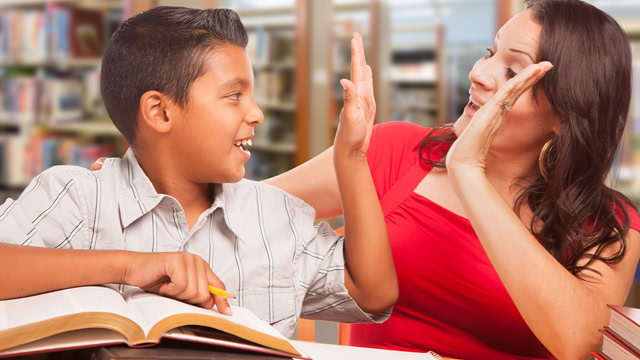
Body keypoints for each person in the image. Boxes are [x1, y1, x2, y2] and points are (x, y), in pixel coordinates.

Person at [0, 7, 398, 338]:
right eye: (234, 95)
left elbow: (373, 293)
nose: (256, 113)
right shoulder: (79, 198)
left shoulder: (278, 217)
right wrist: (128, 266)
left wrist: (352, 156)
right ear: (160, 112)